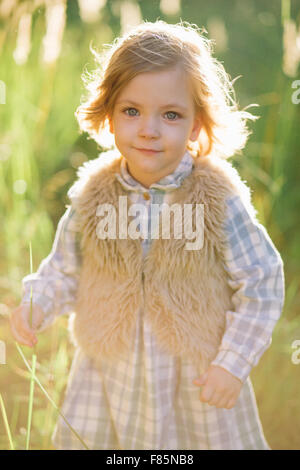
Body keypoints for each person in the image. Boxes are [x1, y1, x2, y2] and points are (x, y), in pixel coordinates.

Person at [10, 20, 285, 450]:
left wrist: (232, 365)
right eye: (131, 111)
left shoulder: (217, 198)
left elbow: (263, 282)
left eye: (171, 115)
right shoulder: (92, 196)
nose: (149, 129)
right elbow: (65, 270)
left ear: (196, 125)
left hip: (193, 379)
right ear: (109, 113)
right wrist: (37, 303)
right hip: (107, 376)